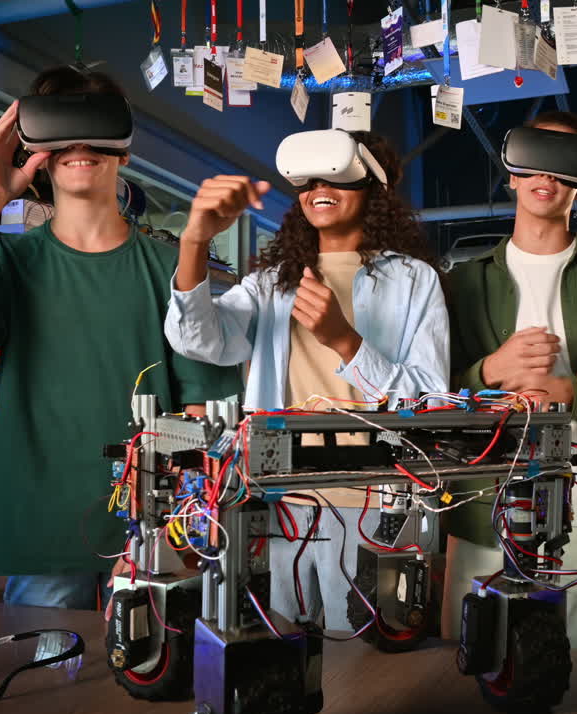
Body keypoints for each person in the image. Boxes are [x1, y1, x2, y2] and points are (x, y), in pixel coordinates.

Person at [0, 67, 241, 609]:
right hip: (42, 524)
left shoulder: (173, 266)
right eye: (60, 129)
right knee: (48, 682)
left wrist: (167, 531)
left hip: (150, 530)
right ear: (35, 148)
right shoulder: (9, 260)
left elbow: (202, 410)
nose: (78, 145)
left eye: (94, 127)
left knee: (153, 676)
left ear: (124, 148)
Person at [164, 130, 449, 631]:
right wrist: (195, 240)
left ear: (373, 186)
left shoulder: (413, 280)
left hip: (369, 502)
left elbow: (428, 395)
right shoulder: (272, 282)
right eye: (308, 178)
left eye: (336, 175)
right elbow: (196, 338)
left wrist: (345, 341)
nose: (320, 186)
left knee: (358, 653)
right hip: (284, 501)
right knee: (278, 638)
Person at [442, 111, 577, 650]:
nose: (547, 176)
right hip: (483, 501)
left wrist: (571, 397)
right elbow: (426, 394)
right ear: (511, 172)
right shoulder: (458, 285)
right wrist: (488, 373)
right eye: (534, 159)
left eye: (565, 166)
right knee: (477, 652)